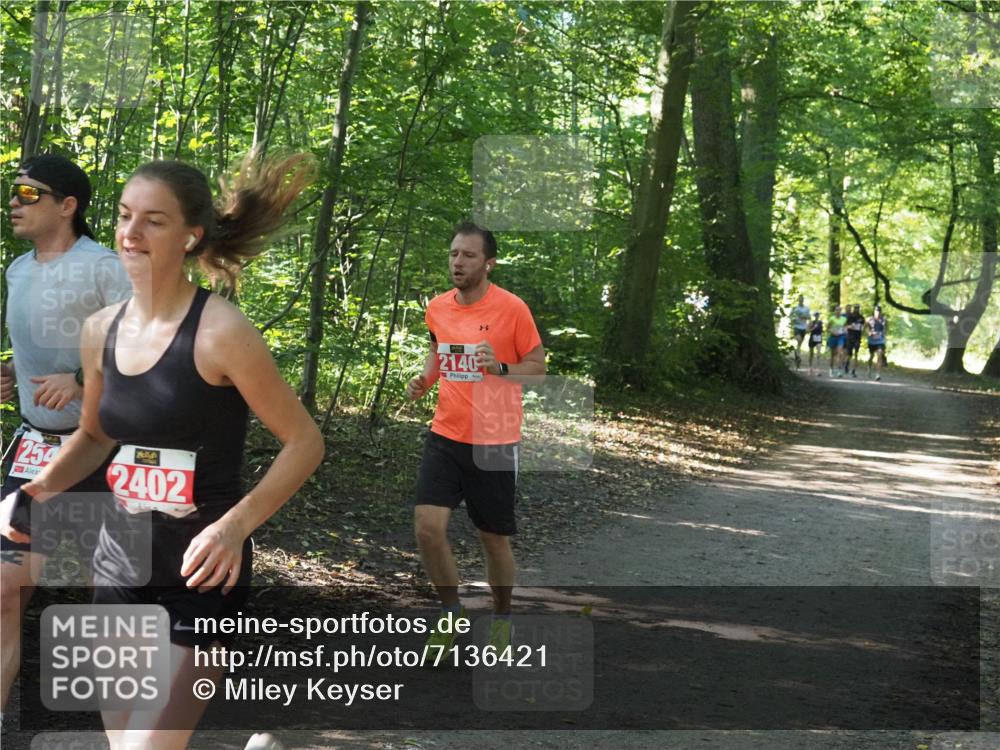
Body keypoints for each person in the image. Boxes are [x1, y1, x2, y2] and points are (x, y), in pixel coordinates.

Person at [1, 153, 324, 749]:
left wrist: (234, 527)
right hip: (120, 565)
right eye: (126, 216)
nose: (131, 233)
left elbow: (305, 441)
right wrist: (37, 491)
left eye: (154, 220)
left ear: (190, 236)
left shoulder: (221, 332)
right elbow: (94, 436)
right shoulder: (101, 329)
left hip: (202, 572)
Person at [1, 154, 132, 714]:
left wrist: (80, 379)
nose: (14, 202)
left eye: (29, 193)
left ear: (67, 205)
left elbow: (146, 346)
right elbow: (41, 351)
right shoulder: (17, 270)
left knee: (117, 601)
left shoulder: (103, 267)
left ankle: (136, 729)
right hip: (36, 447)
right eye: (13, 191)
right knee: (5, 588)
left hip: (104, 451)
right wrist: (14, 374)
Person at [407, 221, 546, 659]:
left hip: (495, 439)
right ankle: (451, 615)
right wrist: (424, 380)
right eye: (453, 254)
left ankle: (502, 618)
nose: (458, 262)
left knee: (493, 539)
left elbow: (537, 368)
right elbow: (438, 349)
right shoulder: (437, 308)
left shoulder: (513, 309)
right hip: (445, 434)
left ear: (489, 264)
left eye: (468, 255)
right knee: (428, 529)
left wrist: (501, 368)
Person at [865, 306, 888, 381]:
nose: (877, 313)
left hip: (880, 341)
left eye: (879, 311)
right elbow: (865, 328)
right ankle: (869, 368)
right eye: (876, 311)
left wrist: (883, 334)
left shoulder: (884, 319)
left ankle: (878, 374)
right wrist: (869, 333)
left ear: (880, 312)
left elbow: (886, 328)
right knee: (871, 356)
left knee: (879, 355)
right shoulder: (869, 319)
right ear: (874, 311)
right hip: (872, 341)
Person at [789, 296, 811, 370]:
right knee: (799, 340)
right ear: (798, 300)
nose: (801, 301)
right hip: (796, 327)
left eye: (802, 299)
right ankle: (798, 356)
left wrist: (805, 317)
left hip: (803, 328)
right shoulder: (795, 308)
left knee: (799, 344)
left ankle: (797, 355)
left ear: (803, 300)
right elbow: (790, 316)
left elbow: (809, 317)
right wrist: (793, 319)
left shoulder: (806, 308)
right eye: (799, 299)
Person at [827, 306, 847, 378]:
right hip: (833, 337)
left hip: (840, 337)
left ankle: (839, 371)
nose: (838, 312)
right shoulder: (831, 319)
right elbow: (828, 328)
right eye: (836, 310)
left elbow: (844, 327)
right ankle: (831, 369)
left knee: (840, 352)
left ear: (841, 312)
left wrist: (845, 331)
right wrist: (833, 332)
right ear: (834, 311)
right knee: (832, 355)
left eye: (839, 310)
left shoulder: (844, 319)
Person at [844, 303, 864, 377]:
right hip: (850, 337)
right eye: (855, 308)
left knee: (856, 354)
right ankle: (847, 364)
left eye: (858, 308)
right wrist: (850, 326)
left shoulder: (861, 317)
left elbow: (863, 326)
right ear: (854, 308)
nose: (857, 309)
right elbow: (845, 326)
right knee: (849, 353)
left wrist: (861, 328)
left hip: (857, 337)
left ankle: (853, 370)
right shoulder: (850, 316)